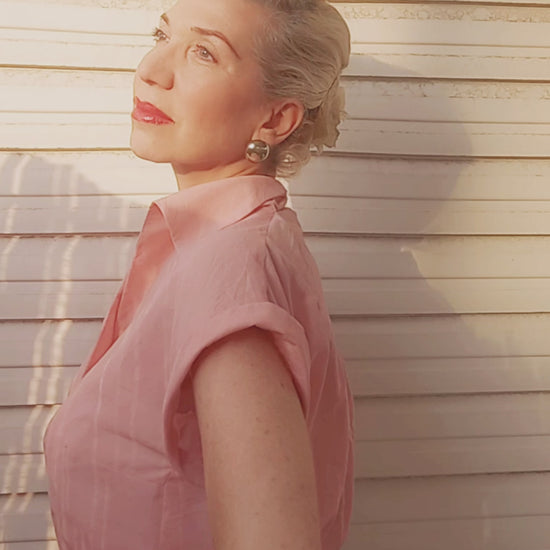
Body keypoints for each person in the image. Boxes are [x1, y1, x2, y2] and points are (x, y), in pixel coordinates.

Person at [43, 0, 354, 549]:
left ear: (276, 119)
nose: (151, 70)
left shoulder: (229, 269)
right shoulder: (246, 240)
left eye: (203, 52)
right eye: (162, 34)